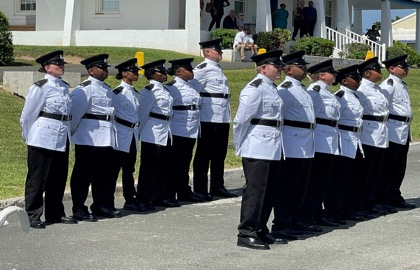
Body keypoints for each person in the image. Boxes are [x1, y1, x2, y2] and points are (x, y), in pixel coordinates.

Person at [234, 50, 288, 250]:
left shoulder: (272, 88)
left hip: (273, 146)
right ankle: (246, 232)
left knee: (270, 190)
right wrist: (240, 145)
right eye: (277, 66)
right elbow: (241, 120)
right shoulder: (255, 88)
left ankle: (260, 229)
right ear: (264, 67)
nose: (280, 70)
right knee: (255, 191)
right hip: (257, 147)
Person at [20, 50, 77, 229]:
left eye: (62, 64)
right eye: (57, 64)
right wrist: (29, 137)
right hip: (42, 137)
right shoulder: (40, 87)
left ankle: (55, 213)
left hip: (61, 137)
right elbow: (28, 115)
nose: (61, 66)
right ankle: (32, 215)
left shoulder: (63, 86)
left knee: (58, 178)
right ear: (47, 68)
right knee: (37, 178)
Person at [271, 50, 316, 240]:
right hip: (291, 142)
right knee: (287, 187)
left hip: (305, 142)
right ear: (289, 70)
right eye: (301, 66)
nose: (305, 68)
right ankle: (281, 225)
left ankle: (296, 221)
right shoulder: (285, 90)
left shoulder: (302, 89)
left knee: (301, 187)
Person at [70, 54, 117, 221]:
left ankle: (100, 205)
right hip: (88, 137)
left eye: (106, 68)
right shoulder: (84, 89)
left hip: (106, 137)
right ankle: (79, 208)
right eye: (102, 68)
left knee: (102, 174)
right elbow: (75, 115)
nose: (105, 71)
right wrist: (74, 133)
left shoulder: (107, 89)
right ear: (91, 71)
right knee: (83, 175)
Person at [191, 39, 237, 201]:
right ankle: (200, 189)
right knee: (204, 154)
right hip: (208, 117)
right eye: (217, 50)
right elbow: (192, 91)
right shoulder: (202, 69)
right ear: (207, 52)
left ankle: (217, 186)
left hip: (222, 116)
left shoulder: (217, 69)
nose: (221, 52)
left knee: (219, 154)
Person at [298, 60, 341, 228]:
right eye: (332, 72)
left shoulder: (328, 93)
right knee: (314, 182)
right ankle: (309, 215)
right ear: (322, 75)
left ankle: (317, 214)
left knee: (323, 181)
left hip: (329, 139)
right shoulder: (315, 92)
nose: (335, 75)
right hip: (319, 140)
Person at [324, 64, 365, 222]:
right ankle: (332, 210)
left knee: (352, 178)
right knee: (339, 179)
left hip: (355, 138)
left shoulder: (354, 96)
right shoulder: (340, 96)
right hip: (344, 138)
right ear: (345, 81)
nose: (358, 81)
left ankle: (348, 208)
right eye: (355, 78)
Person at [354, 57, 395, 217]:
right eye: (377, 70)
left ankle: (373, 202)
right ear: (367, 73)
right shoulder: (361, 89)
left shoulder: (378, 89)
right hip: (368, 135)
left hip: (381, 133)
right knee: (365, 173)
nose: (380, 73)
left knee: (377, 172)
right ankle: (362, 204)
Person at [136, 60, 178, 209]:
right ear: (153, 74)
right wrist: (139, 133)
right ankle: (143, 198)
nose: (165, 74)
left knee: (163, 166)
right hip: (151, 132)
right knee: (149, 168)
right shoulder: (149, 91)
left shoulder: (166, 90)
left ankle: (159, 196)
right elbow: (142, 114)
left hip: (165, 130)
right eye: (161, 72)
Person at [379, 55, 416, 209]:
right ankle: (385, 196)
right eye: (403, 67)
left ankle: (395, 194)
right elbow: (382, 105)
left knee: (400, 165)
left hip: (403, 128)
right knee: (390, 165)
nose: (406, 69)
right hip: (393, 128)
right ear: (392, 69)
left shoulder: (401, 84)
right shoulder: (389, 84)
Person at [166, 58, 204, 203]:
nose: (192, 72)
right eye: (189, 70)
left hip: (191, 129)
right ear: (180, 72)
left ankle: (183, 190)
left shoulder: (191, 86)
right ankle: (170, 193)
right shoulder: (172, 88)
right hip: (178, 129)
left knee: (185, 162)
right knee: (174, 163)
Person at [111, 58, 143, 212]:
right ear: (124, 74)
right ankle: (108, 201)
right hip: (120, 134)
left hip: (132, 135)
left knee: (129, 169)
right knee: (114, 169)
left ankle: (130, 198)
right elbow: (112, 115)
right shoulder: (117, 93)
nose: (137, 73)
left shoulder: (135, 93)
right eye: (133, 71)